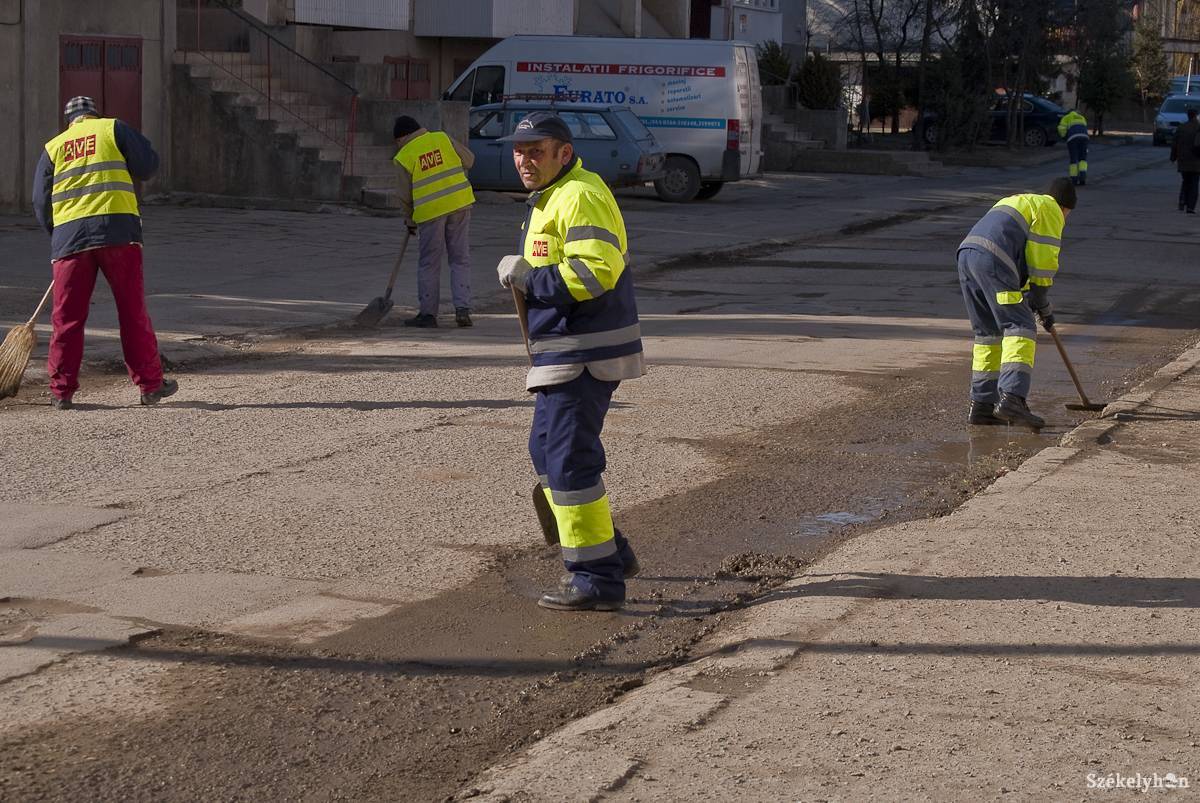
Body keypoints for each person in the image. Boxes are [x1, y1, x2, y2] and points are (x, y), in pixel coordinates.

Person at [495, 112, 644, 612]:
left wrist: (527, 277)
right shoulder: (553, 194)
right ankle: (611, 552)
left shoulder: (579, 194)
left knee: (567, 462)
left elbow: (595, 272)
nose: (524, 160)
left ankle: (596, 580)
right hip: (565, 351)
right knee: (546, 453)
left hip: (584, 353)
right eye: (519, 151)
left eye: (536, 151)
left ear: (564, 152)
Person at [32, 96, 177, 410]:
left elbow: (40, 202)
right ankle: (150, 385)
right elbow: (148, 166)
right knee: (132, 311)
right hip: (117, 232)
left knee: (66, 319)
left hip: (70, 240)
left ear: (70, 121)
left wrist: (59, 237)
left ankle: (62, 392)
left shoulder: (53, 147)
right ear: (94, 115)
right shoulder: (113, 129)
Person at [957, 177, 1077, 430]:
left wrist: (1039, 306)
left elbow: (1018, 269)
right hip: (994, 259)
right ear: (1065, 207)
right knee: (1020, 326)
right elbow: (1042, 262)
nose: (1065, 220)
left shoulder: (1019, 201)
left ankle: (982, 406)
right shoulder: (1050, 209)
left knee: (988, 334)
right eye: (1068, 215)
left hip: (968, 256)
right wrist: (1041, 301)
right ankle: (1012, 399)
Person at [392, 115, 476, 327]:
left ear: (401, 138)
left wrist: (410, 220)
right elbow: (469, 160)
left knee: (429, 262)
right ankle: (463, 309)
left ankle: (428, 315)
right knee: (460, 259)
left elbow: (404, 196)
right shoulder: (442, 138)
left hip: (431, 213)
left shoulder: (404, 155)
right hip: (460, 204)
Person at [1170, 108, 1200, 214]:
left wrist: (1173, 157)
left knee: (1185, 181)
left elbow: (1174, 144)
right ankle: (1191, 207)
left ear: (1188, 116)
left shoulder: (1181, 127)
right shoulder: (1198, 127)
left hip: (1183, 160)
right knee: (1194, 183)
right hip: (1196, 160)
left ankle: (1182, 201)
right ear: (1196, 115)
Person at [1057, 108, 1089, 186]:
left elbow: (1061, 128)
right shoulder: (1082, 117)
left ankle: (1074, 179)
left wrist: (1064, 137)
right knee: (1083, 159)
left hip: (1073, 138)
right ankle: (1083, 177)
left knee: (1073, 159)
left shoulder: (1067, 117)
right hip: (1084, 137)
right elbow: (1084, 128)